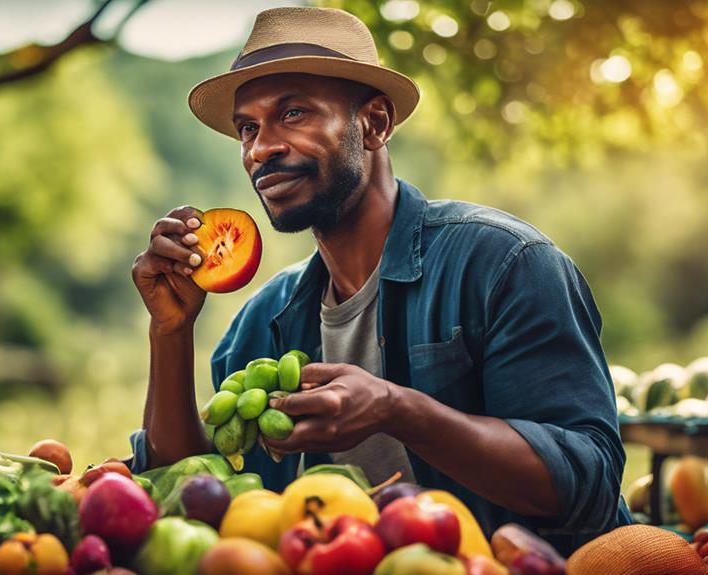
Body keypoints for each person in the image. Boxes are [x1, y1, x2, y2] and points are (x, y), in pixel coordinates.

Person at [129, 6, 631, 554]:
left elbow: (588, 483)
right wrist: (170, 331)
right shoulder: (264, 321)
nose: (260, 148)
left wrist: (397, 410)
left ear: (374, 123)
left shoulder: (505, 264)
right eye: (247, 127)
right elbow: (189, 495)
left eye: (293, 113)